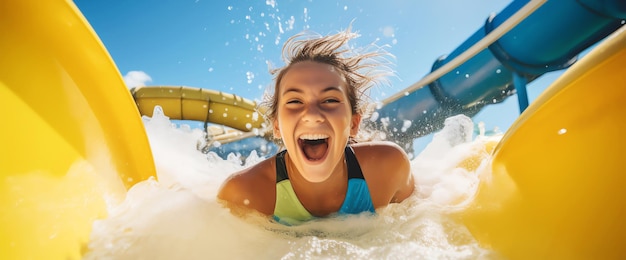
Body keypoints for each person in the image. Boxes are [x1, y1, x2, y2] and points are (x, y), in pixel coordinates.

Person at [217, 27, 414, 225]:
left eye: (329, 100)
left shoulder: (388, 170)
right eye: (294, 101)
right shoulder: (244, 195)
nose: (312, 115)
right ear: (276, 126)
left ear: (354, 123)